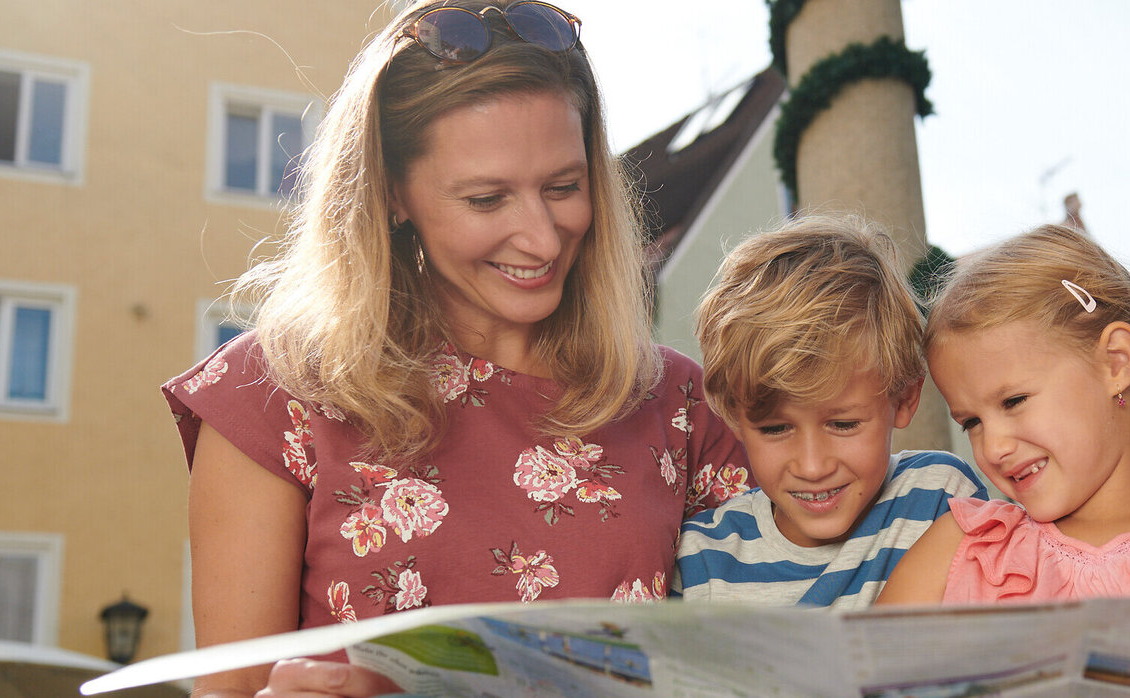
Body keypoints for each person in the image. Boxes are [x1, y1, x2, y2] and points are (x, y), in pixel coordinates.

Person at [161, 2, 748, 695]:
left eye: (564, 187)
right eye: (487, 199)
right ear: (392, 193)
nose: (541, 236)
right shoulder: (273, 394)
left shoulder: (681, 408)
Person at [877, 225, 1130, 605]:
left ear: (1116, 362)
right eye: (971, 422)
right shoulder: (957, 550)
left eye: (1014, 401)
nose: (994, 447)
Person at [673, 215, 988, 609]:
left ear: (904, 398)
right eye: (774, 429)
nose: (812, 466)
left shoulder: (938, 499)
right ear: (735, 417)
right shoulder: (701, 561)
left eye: (842, 424)